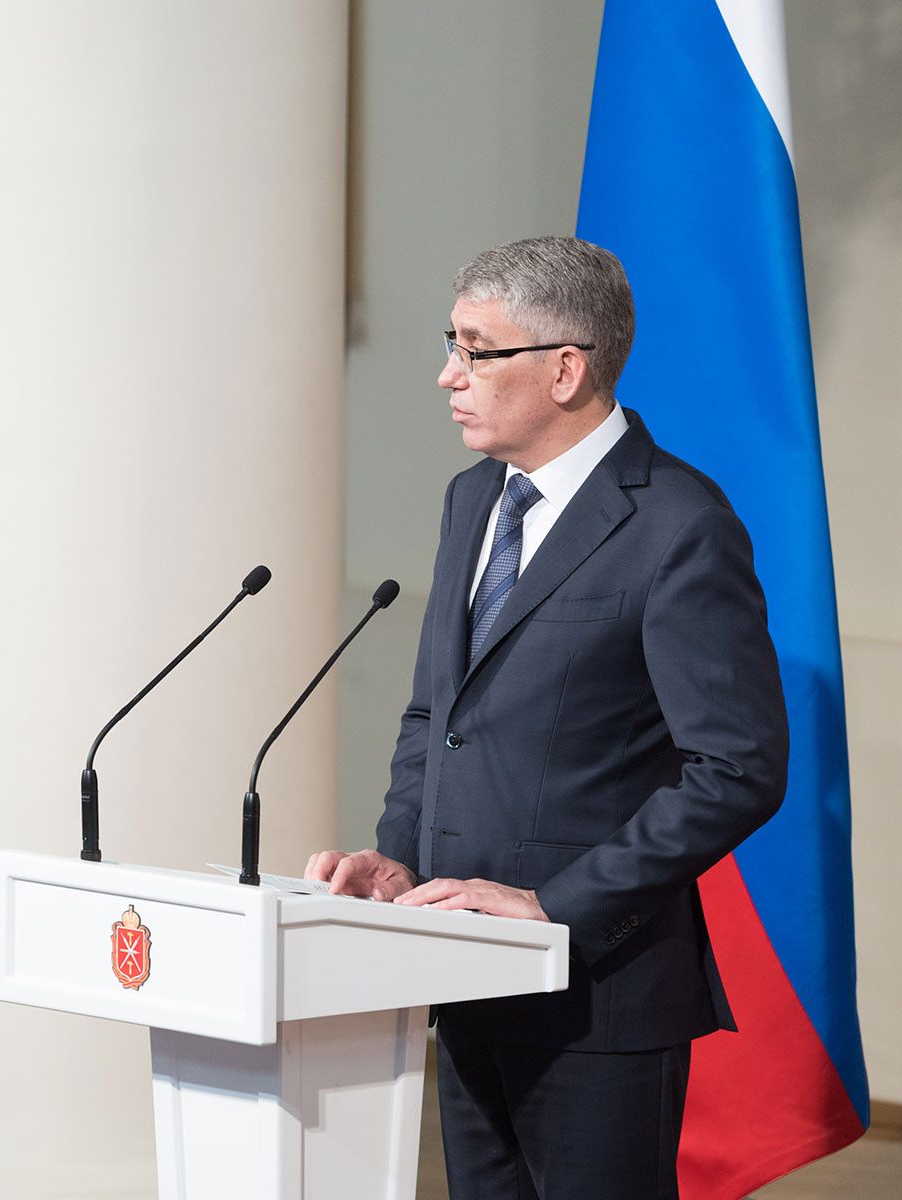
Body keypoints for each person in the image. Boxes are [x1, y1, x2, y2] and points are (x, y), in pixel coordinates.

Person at [305, 236, 787, 1200]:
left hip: (596, 1000)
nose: (448, 375)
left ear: (566, 369)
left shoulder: (679, 524)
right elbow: (435, 715)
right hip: (459, 976)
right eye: (451, 343)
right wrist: (400, 858)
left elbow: (738, 769)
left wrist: (554, 906)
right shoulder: (471, 500)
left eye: (476, 351)